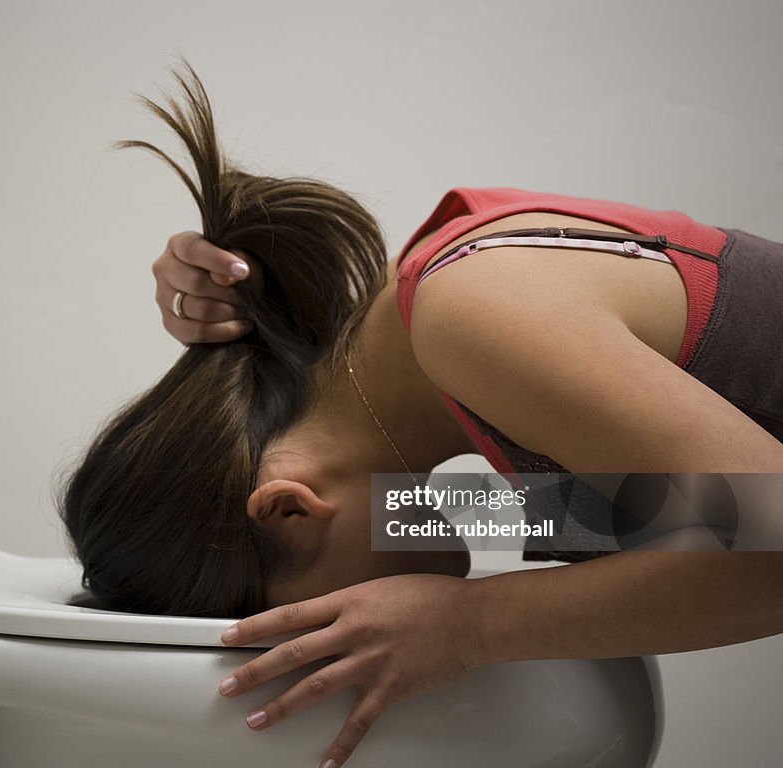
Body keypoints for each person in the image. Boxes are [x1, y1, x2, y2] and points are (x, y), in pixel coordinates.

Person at [59, 61, 783, 768]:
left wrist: (472, 625)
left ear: (287, 509)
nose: (356, 624)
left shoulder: (471, 315)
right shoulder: (423, 392)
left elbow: (773, 546)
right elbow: (661, 521)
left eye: (318, 624)